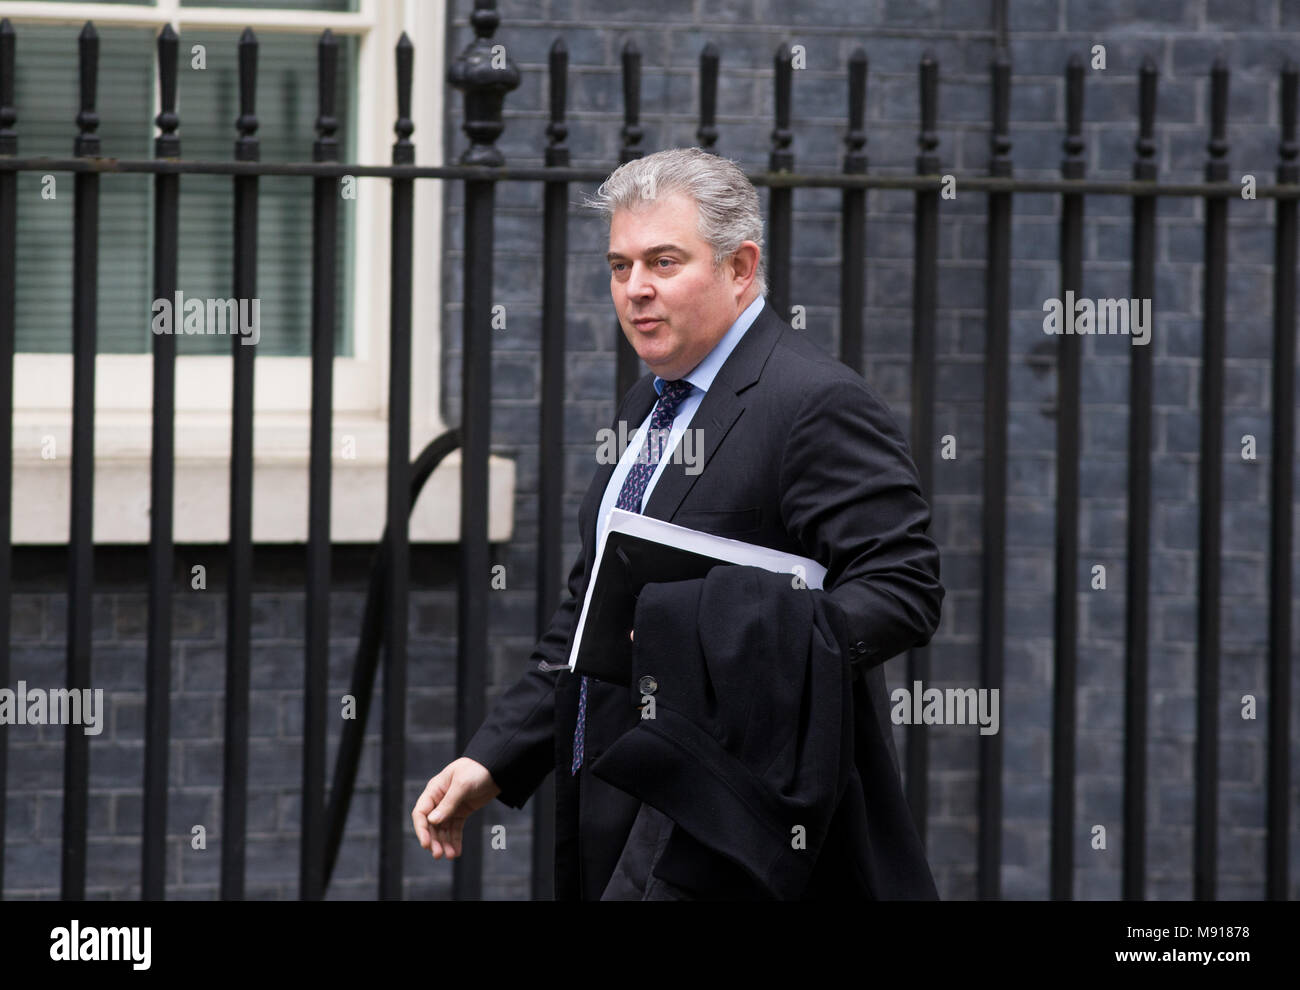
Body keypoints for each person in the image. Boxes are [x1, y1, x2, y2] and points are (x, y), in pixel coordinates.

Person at [411, 147, 944, 899]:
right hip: (629, 801)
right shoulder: (651, 402)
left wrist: (723, 639)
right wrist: (493, 759)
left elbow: (904, 588)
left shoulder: (812, 401)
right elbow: (593, 603)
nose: (636, 290)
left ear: (739, 267)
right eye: (620, 266)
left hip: (741, 822)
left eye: (664, 261)